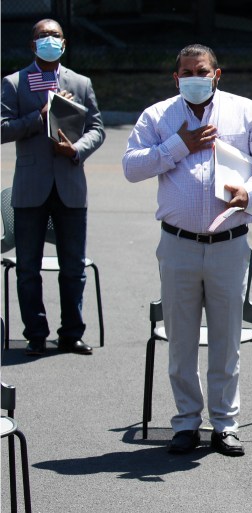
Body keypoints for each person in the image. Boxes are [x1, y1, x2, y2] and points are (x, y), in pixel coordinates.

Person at [123, 44, 252, 456]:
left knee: (227, 339)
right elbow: (132, 167)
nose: (195, 77)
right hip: (178, 244)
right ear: (176, 78)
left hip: (229, 244)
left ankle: (225, 425)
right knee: (180, 339)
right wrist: (178, 146)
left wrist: (249, 191)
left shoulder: (245, 112)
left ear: (217, 74)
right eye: (187, 72)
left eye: (202, 70)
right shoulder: (158, 116)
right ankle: (186, 423)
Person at [1, 18, 106, 356]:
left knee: (72, 267)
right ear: (33, 45)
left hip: (70, 184)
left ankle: (70, 334)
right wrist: (39, 116)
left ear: (64, 42)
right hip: (31, 188)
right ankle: (35, 333)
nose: (50, 40)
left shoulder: (80, 82)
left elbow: (97, 128)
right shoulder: (15, 83)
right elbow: (3, 129)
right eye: (43, 36)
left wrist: (77, 150)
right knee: (28, 268)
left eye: (55, 35)